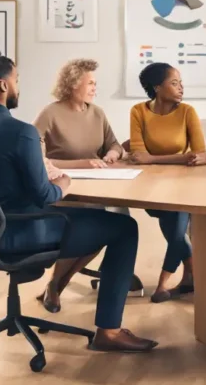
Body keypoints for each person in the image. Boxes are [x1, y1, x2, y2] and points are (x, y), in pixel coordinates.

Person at [0, 46, 156, 353]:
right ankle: (109, 331)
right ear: (3, 85)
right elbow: (45, 195)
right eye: (17, 79)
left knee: (101, 220)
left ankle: (60, 289)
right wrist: (63, 181)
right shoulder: (21, 132)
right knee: (124, 228)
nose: (18, 86)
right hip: (23, 231)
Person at [32, 58, 136, 314]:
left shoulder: (97, 113)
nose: (94, 88)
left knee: (107, 229)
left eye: (95, 83)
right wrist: (82, 164)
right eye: (90, 82)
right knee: (94, 230)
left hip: (98, 185)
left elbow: (114, 145)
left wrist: (113, 154)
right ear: (73, 83)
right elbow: (36, 157)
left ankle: (56, 284)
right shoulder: (50, 114)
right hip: (65, 190)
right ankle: (56, 287)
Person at [129, 62, 206, 303]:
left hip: (184, 185)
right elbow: (138, 155)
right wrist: (179, 158)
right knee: (174, 229)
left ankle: (163, 283)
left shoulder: (187, 111)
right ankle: (192, 276)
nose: (181, 87)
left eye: (180, 82)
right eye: (174, 83)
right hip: (150, 187)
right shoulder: (138, 112)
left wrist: (153, 159)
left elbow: (200, 154)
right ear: (157, 88)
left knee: (175, 232)